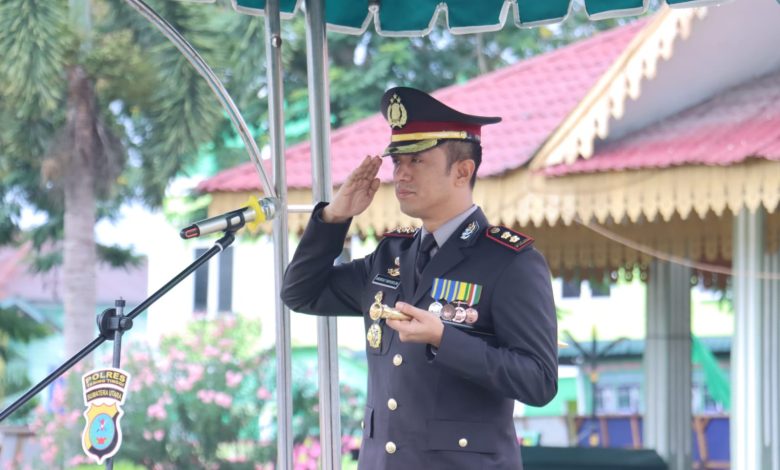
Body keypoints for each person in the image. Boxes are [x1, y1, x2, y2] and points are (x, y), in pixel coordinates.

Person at [281, 87, 558, 470]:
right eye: (397, 162)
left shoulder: (509, 262)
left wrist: (445, 339)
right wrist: (334, 218)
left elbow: (539, 381)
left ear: (463, 171)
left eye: (417, 160)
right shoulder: (390, 256)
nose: (401, 174)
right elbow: (301, 293)